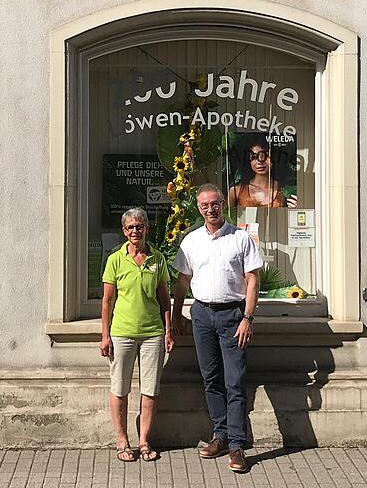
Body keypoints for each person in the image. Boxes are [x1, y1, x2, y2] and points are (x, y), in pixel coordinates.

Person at [172, 183, 263, 473]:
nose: (210, 209)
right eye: (204, 206)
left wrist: (248, 318)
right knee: (211, 378)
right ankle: (220, 435)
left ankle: (237, 446)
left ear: (223, 204)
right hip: (201, 315)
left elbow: (252, 281)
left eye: (215, 204)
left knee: (235, 381)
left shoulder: (240, 238)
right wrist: (176, 315)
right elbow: (182, 283)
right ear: (199, 209)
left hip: (232, 316)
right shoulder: (191, 241)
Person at [100, 207, 174, 463]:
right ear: (124, 231)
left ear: (146, 229)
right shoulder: (115, 260)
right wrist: (105, 335)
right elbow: (107, 301)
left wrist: (168, 330)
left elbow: (165, 299)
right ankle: (122, 441)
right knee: (119, 388)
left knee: (150, 389)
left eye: (139, 226)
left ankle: (144, 441)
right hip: (121, 333)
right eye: (130, 227)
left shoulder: (157, 258)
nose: (135, 231)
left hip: (153, 333)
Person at [227, 136, 297, 208]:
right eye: (253, 157)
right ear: (247, 160)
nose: (260, 161)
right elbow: (227, 217)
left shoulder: (285, 191)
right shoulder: (235, 191)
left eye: (266, 155)